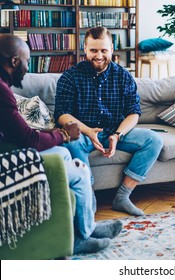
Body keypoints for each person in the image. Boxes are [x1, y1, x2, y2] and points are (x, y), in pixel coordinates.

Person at [0, 34, 122, 255]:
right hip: (6, 160)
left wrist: (53, 136)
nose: (28, 69)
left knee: (63, 154)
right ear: (14, 61)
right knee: (80, 170)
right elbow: (30, 141)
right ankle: (82, 236)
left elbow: (16, 132)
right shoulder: (2, 92)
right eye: (27, 61)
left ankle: (84, 228)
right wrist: (64, 134)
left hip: (8, 148)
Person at [54, 27, 163, 216]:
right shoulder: (70, 76)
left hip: (114, 131)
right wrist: (88, 131)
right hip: (83, 133)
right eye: (94, 50)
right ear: (85, 48)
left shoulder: (123, 76)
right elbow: (62, 114)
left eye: (103, 50)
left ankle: (122, 197)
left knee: (154, 140)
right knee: (71, 141)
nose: (99, 55)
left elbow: (134, 113)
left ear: (111, 49)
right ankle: (89, 199)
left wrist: (118, 135)